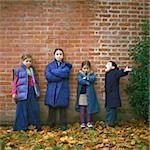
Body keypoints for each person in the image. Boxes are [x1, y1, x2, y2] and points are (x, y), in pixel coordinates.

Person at [44, 48, 72, 130]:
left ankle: (63, 124)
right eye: (57, 54)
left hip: (62, 89)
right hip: (52, 89)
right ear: (54, 55)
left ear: (63, 56)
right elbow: (48, 77)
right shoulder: (49, 66)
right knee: (51, 108)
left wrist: (54, 71)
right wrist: (60, 76)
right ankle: (50, 124)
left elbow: (65, 74)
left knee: (62, 108)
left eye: (60, 54)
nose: (59, 56)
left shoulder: (66, 66)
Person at [12, 53, 41, 131]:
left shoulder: (32, 69)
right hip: (22, 92)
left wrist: (36, 91)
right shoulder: (18, 70)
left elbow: (35, 81)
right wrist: (14, 92)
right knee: (22, 109)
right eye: (26, 61)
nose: (28, 63)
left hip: (31, 91)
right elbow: (14, 82)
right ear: (22, 61)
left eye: (30, 61)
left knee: (33, 108)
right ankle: (21, 126)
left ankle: (33, 125)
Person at [105, 61, 132, 127]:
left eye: (108, 64)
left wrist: (125, 70)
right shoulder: (108, 73)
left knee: (111, 109)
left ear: (113, 67)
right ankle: (111, 122)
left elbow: (120, 72)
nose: (106, 65)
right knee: (109, 108)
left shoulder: (114, 72)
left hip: (113, 94)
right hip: (109, 94)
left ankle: (110, 123)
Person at [75, 60, 100, 128]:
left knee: (89, 109)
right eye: (84, 68)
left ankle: (89, 122)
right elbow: (80, 80)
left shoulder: (91, 74)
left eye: (87, 68)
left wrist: (87, 78)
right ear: (82, 68)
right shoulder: (79, 74)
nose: (86, 70)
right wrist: (87, 82)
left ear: (89, 68)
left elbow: (93, 78)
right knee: (82, 109)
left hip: (89, 95)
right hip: (82, 95)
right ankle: (82, 122)